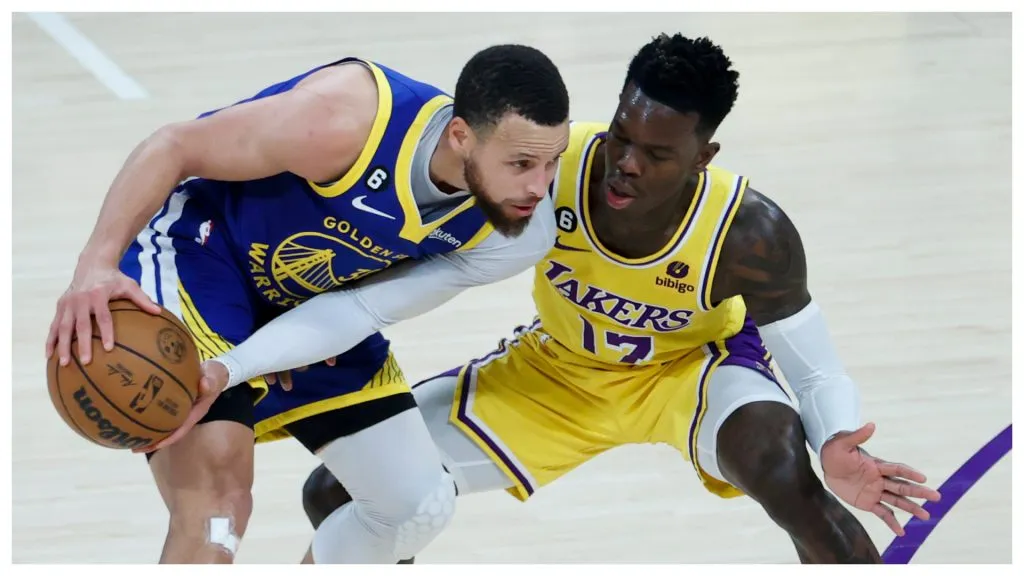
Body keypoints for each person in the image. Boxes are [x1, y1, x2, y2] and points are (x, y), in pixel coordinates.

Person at [294, 34, 943, 563]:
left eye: (656, 153)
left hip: (692, 372)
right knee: (340, 491)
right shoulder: (550, 164)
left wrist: (834, 439)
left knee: (784, 474)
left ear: (703, 156)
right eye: (622, 135)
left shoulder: (749, 233)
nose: (626, 162)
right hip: (556, 370)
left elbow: (816, 369)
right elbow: (421, 239)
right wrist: (327, 317)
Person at [44, 44, 570, 564]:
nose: (538, 186)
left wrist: (240, 364)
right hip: (205, 254)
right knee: (217, 507)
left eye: (553, 161)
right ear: (460, 136)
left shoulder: (519, 234)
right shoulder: (347, 118)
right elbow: (173, 145)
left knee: (413, 507)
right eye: (521, 163)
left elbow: (360, 312)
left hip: (314, 301)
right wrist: (96, 265)